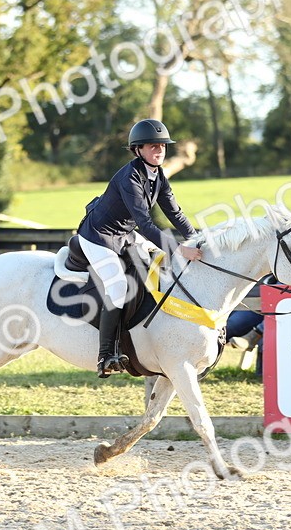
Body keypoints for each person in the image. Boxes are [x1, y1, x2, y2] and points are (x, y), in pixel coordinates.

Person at [77, 118, 203, 377]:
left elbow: (175, 213)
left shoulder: (158, 175)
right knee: (118, 285)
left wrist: (195, 240)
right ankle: (105, 356)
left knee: (158, 262)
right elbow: (145, 223)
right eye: (152, 146)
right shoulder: (130, 178)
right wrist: (180, 249)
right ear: (138, 150)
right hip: (98, 236)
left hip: (124, 234)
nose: (159, 150)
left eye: (162, 146)